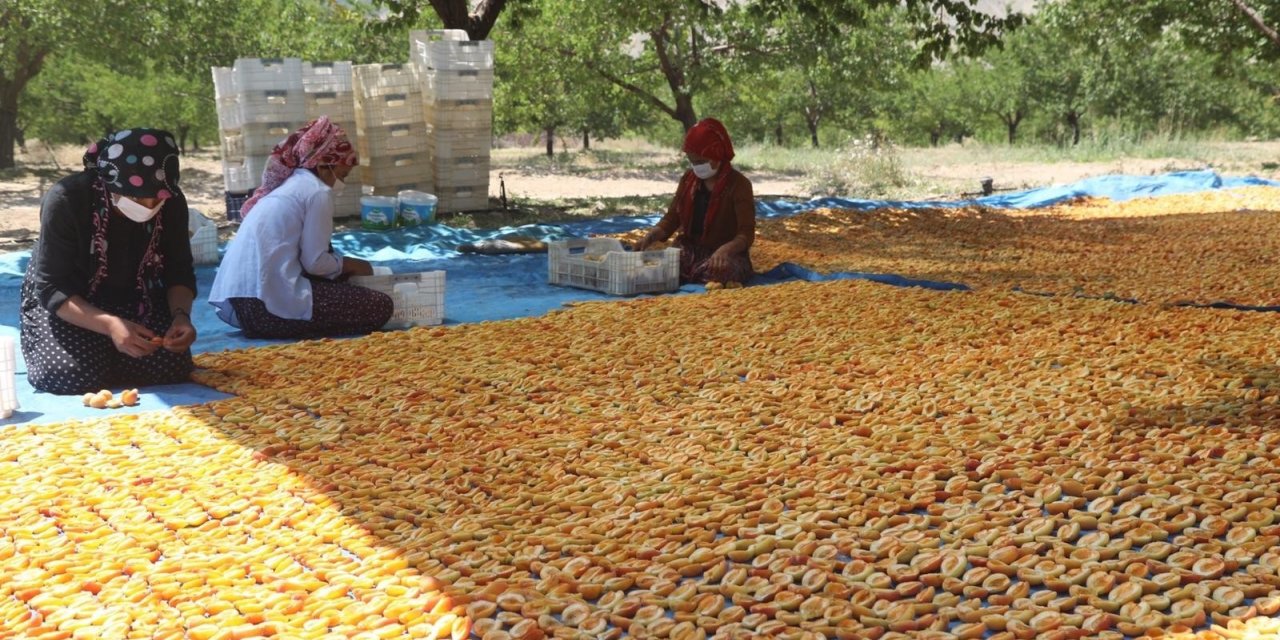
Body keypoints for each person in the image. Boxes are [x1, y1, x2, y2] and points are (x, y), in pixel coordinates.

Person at [20, 129, 198, 394]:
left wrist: (181, 317)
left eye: (156, 197)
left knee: (171, 368)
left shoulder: (171, 201)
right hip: (72, 301)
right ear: (110, 183)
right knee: (69, 376)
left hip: (138, 298)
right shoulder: (68, 199)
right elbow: (52, 287)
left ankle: (108, 352)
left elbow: (179, 271)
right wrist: (110, 325)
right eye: (136, 197)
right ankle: (101, 349)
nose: (149, 206)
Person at [209, 117, 392, 339]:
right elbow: (314, 263)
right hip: (267, 310)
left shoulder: (291, 186)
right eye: (342, 175)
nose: (341, 183)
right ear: (324, 165)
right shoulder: (317, 192)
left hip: (243, 308)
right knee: (379, 305)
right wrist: (353, 265)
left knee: (337, 283)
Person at [634, 118, 756, 285]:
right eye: (692, 162)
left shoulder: (739, 184)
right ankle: (691, 272)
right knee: (662, 266)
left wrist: (726, 249)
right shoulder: (688, 180)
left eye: (701, 161)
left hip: (723, 253)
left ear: (717, 154)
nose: (697, 167)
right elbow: (672, 218)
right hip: (691, 249)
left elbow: (746, 233)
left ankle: (699, 272)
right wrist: (651, 236)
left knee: (723, 273)